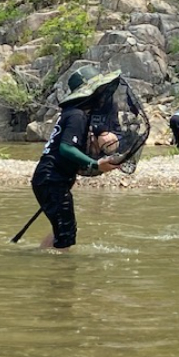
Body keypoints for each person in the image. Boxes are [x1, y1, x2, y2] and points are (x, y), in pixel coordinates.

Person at [31, 65, 120, 251]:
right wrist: (94, 163)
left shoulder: (75, 114)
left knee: (62, 230)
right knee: (66, 235)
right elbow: (65, 148)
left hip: (50, 179)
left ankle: (40, 258)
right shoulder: (77, 115)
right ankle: (59, 275)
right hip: (51, 179)